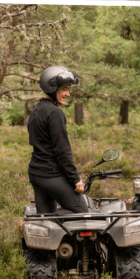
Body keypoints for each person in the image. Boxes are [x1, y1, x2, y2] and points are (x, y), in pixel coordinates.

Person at [27, 65, 87, 214]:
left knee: (45, 218)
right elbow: (62, 151)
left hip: (36, 173)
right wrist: (75, 179)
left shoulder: (36, 110)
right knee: (82, 211)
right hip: (50, 174)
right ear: (52, 89)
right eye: (64, 89)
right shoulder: (55, 113)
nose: (67, 94)